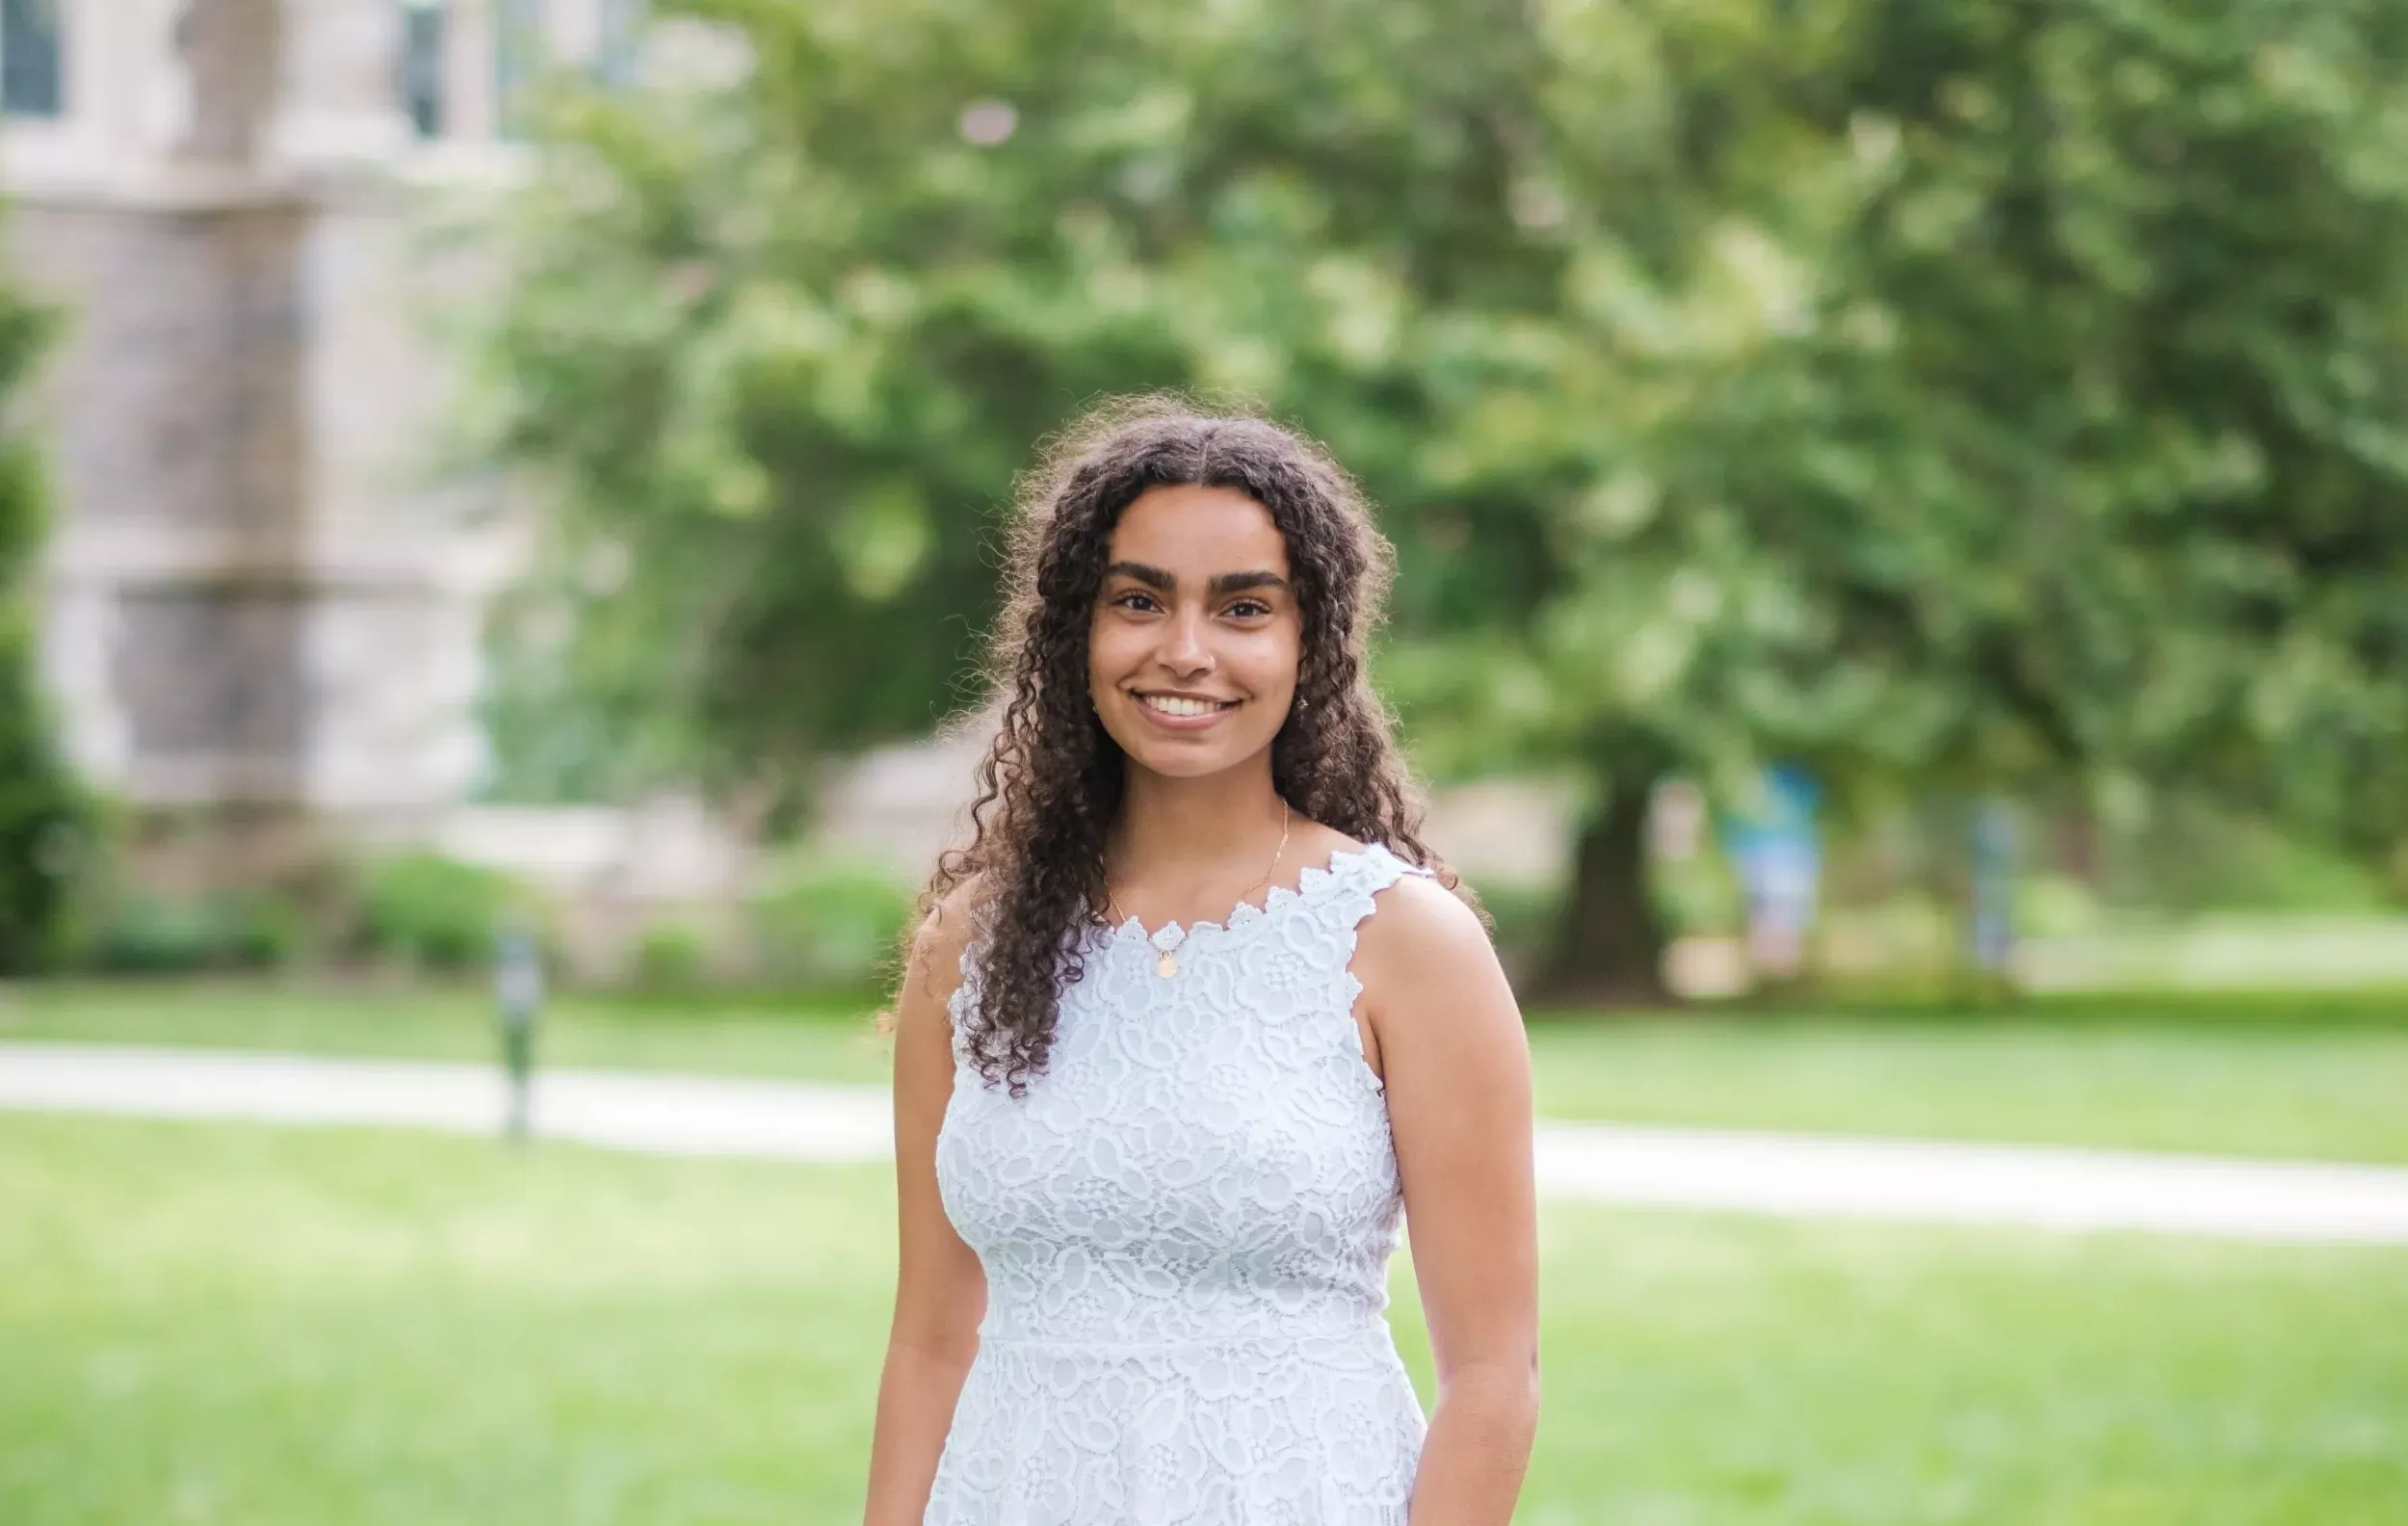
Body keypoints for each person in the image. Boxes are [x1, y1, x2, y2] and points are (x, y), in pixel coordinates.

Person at [862, 400, 1539, 1525]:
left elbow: (1493, 1377)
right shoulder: (967, 943)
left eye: (1242, 608)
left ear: (1309, 642)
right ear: (1073, 630)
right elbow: (931, 1338)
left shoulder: (1405, 941)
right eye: (1138, 601)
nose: (1185, 651)